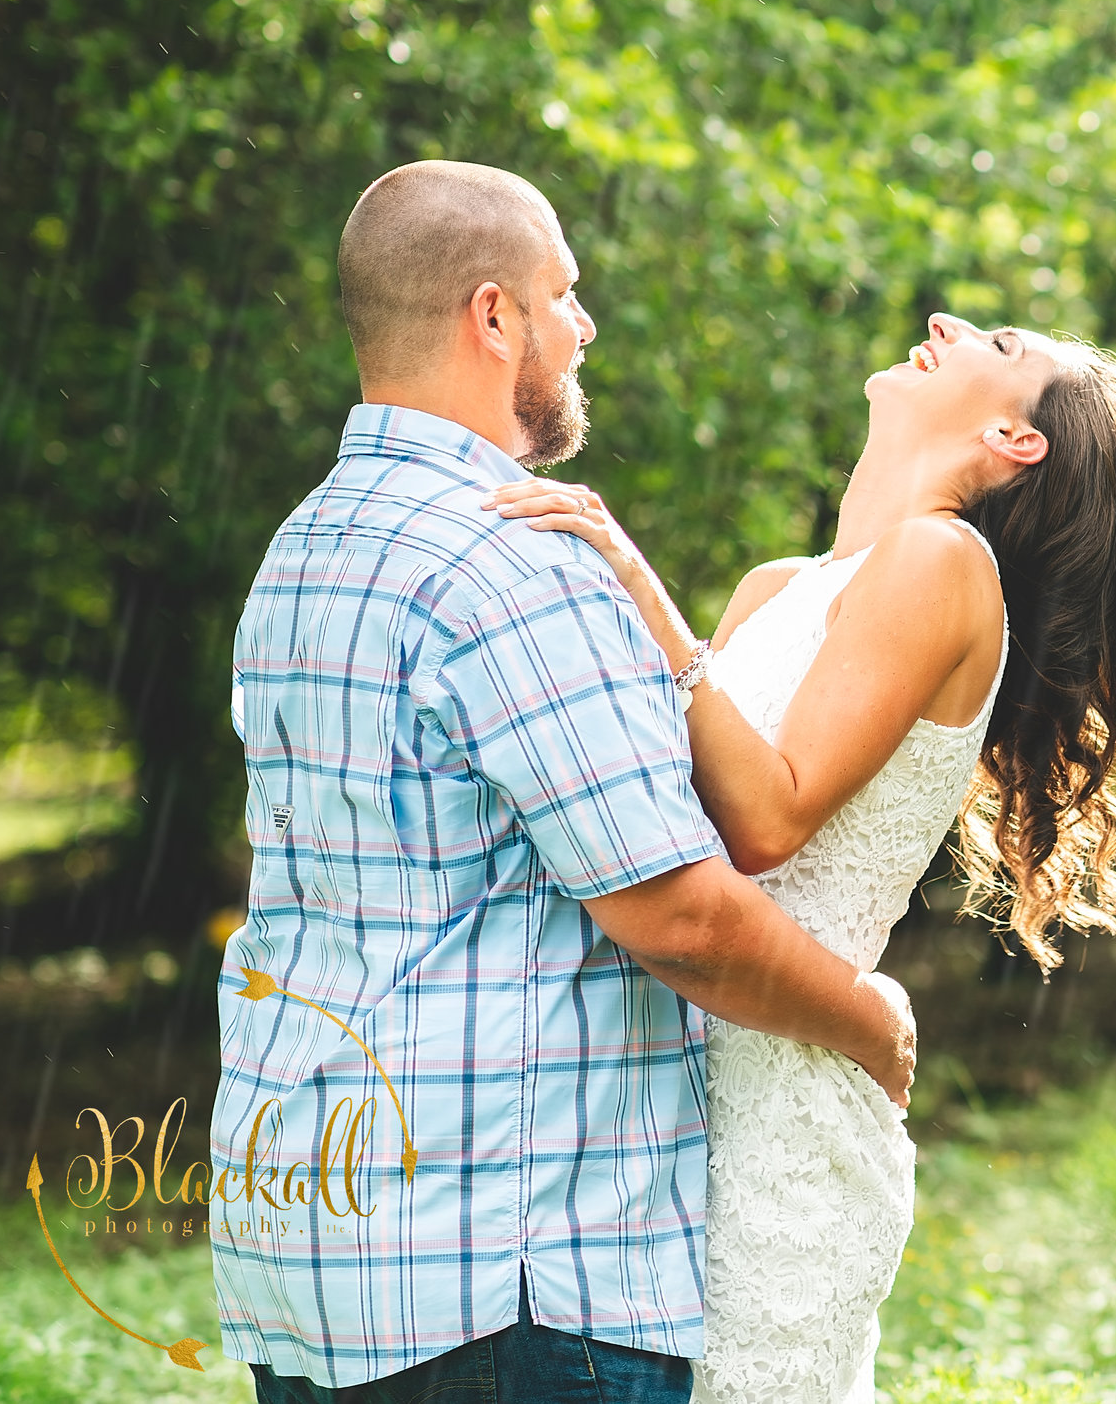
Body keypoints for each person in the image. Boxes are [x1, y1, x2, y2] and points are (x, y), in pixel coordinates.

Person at [214, 160, 915, 1404]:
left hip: (318, 1249)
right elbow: (682, 918)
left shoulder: (304, 547)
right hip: (504, 1282)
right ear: (494, 316)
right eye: (564, 294)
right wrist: (866, 1020)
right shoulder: (513, 556)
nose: (582, 326)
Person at [485, 310, 1116, 1403]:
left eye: (997, 343)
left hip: (783, 1114)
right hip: (659, 1093)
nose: (946, 321)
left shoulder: (943, 562)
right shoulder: (772, 589)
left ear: (1013, 438)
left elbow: (766, 820)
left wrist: (631, 578)